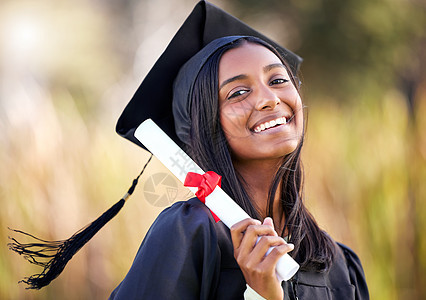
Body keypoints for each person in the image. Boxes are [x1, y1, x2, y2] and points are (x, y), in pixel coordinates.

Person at [111, 1, 369, 299]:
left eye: (278, 80)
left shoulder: (336, 262)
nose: (269, 99)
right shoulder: (189, 233)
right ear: (206, 124)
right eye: (238, 92)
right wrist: (260, 295)